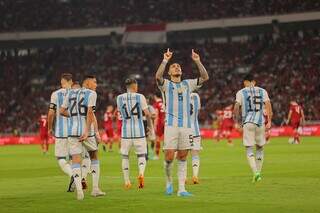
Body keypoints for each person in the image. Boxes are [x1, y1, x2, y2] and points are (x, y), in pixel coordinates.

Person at [155, 48, 209, 196]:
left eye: (178, 66)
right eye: (174, 66)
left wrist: (197, 61)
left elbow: (205, 77)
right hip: (171, 125)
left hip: (187, 126)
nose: (177, 67)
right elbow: (157, 76)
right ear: (170, 73)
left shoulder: (188, 84)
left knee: (183, 156)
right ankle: (168, 183)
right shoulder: (165, 84)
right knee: (169, 156)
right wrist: (165, 60)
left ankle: (182, 189)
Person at [60, 75, 105, 200]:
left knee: (75, 160)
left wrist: (74, 118)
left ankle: (79, 191)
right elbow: (90, 112)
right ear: (88, 82)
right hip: (86, 131)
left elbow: (62, 111)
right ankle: (95, 189)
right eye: (95, 82)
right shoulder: (91, 94)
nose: (96, 85)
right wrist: (86, 131)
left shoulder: (69, 93)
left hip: (72, 131)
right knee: (94, 155)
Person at [233, 74, 272, 183]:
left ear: (245, 82)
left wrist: (236, 121)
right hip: (260, 122)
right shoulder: (262, 91)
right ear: (254, 82)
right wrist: (269, 121)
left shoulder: (241, 92)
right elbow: (268, 105)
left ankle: (255, 173)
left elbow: (236, 107)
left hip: (248, 122)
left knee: (249, 148)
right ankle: (258, 172)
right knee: (260, 148)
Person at [116, 78, 153, 189]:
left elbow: (120, 115)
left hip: (126, 131)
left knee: (125, 156)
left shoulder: (119, 98)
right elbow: (147, 114)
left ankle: (127, 181)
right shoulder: (140, 96)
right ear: (134, 86)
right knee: (141, 155)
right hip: (139, 131)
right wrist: (150, 127)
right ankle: (141, 174)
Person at [47, 73, 74, 191]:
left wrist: (49, 127)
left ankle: (73, 175)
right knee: (75, 157)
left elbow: (51, 113)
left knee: (61, 158)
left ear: (62, 82)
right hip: (75, 130)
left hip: (61, 132)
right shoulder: (76, 93)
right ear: (71, 81)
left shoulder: (55, 94)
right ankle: (77, 179)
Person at [190, 92, 201, 184]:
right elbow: (198, 109)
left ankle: (183, 177)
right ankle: (195, 176)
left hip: (184, 129)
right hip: (195, 130)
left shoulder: (179, 95)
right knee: (195, 154)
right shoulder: (196, 96)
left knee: (183, 155)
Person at [153, 92, 165, 159]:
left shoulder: (156, 104)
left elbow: (156, 115)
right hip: (166, 122)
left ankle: (157, 156)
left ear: (155, 96)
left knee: (157, 139)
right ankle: (168, 153)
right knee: (166, 139)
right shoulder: (164, 103)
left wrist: (155, 125)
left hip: (160, 123)